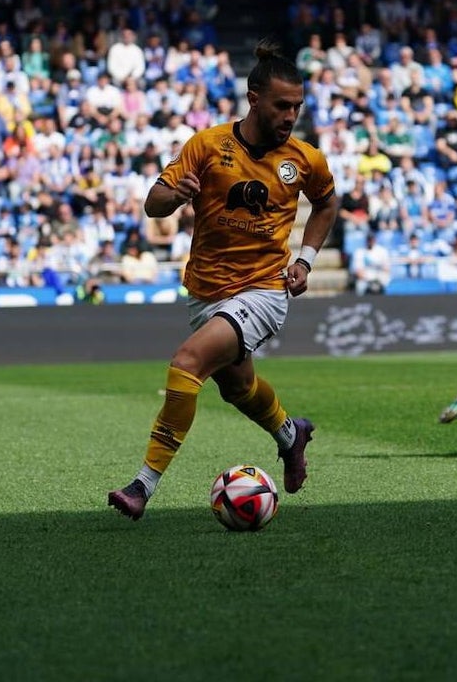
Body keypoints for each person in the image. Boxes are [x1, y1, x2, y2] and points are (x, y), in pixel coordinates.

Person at [108, 40, 339, 522]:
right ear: (254, 99)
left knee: (188, 363)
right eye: (282, 105)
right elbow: (153, 203)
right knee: (238, 389)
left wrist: (307, 260)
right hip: (206, 289)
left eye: (297, 106)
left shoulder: (305, 159)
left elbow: (327, 203)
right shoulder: (208, 145)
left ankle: (142, 486)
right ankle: (290, 435)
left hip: (263, 290)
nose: (290, 115)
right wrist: (174, 195)